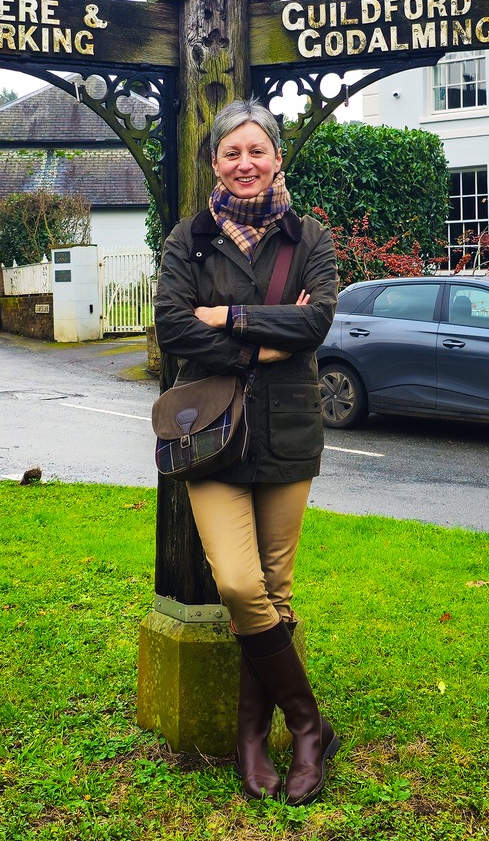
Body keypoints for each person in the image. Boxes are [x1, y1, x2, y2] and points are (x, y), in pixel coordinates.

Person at [154, 99, 341, 805]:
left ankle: (252, 740)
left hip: (289, 429)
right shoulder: (189, 240)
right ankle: (309, 722)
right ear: (214, 162)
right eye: (231, 152)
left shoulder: (310, 235)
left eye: (257, 150)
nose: (245, 163)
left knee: (276, 587)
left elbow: (317, 318)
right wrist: (270, 336)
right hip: (210, 438)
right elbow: (173, 327)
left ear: (277, 156)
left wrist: (227, 317)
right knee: (239, 582)